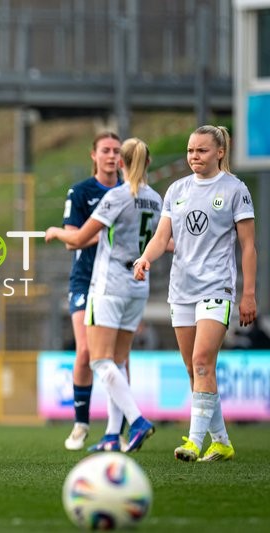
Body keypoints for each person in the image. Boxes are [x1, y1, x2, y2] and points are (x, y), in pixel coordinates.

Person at [134, 125, 256, 462]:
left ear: (219, 152)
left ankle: (194, 442)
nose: (194, 157)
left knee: (203, 361)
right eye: (190, 151)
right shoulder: (176, 189)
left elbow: (248, 247)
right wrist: (145, 258)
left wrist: (249, 294)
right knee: (193, 369)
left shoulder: (235, 190)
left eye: (201, 151)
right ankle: (222, 441)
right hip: (181, 289)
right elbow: (162, 238)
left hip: (217, 286)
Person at [46, 137, 161, 453]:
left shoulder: (116, 197)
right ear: (148, 163)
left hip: (109, 286)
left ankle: (136, 420)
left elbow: (80, 238)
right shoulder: (155, 199)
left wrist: (56, 232)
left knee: (99, 360)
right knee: (120, 360)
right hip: (138, 286)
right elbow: (163, 241)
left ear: (122, 163)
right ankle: (112, 435)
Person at [61, 132, 122, 450]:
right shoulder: (82, 191)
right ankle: (81, 423)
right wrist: (111, 237)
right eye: (106, 151)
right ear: (93, 155)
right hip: (85, 279)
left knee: (119, 357)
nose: (112, 156)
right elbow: (74, 237)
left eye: (117, 151)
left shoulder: (131, 191)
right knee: (85, 351)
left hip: (121, 282)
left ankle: (120, 427)